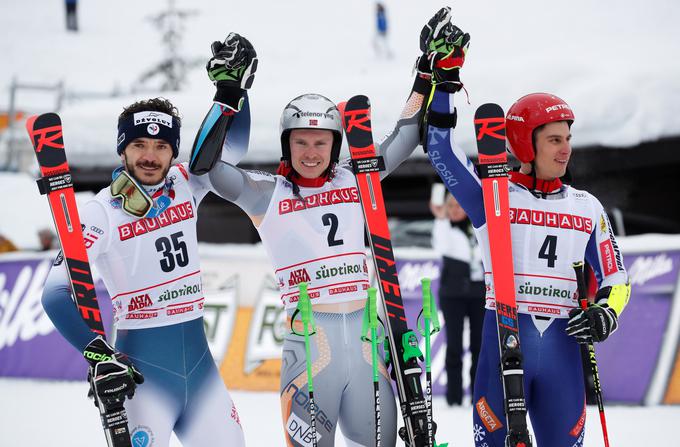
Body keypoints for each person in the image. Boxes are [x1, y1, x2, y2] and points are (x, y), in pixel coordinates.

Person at [191, 12, 466, 446]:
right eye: (300, 141)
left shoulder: (357, 176)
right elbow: (205, 168)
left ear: (336, 145)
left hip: (368, 347)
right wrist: (228, 93)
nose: (311, 152)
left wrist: (425, 70)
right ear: (286, 144)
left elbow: (407, 133)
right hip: (310, 352)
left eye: (321, 142)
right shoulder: (267, 192)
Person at [419, 10, 631, 446]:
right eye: (554, 139)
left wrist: (606, 311)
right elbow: (439, 146)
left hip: (562, 349)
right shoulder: (492, 196)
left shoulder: (586, 207)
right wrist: (445, 80)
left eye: (568, 138)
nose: (566, 148)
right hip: (502, 341)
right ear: (523, 143)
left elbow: (617, 276)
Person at [41, 97, 246, 446]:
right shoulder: (100, 212)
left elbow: (235, 147)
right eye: (139, 144)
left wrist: (235, 90)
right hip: (142, 382)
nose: (150, 156)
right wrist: (100, 355)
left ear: (173, 152)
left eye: (161, 146)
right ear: (123, 150)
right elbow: (54, 295)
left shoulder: (188, 182)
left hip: (202, 376)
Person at [430, 190, 485, 406]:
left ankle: (477, 396)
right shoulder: (444, 227)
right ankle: (454, 398)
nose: (454, 210)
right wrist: (441, 216)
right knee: (453, 345)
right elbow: (440, 245)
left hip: (479, 292)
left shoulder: (476, 227)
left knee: (478, 346)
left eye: (458, 206)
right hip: (453, 294)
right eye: (450, 206)